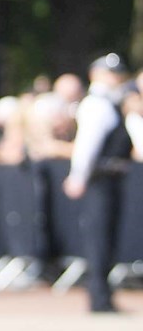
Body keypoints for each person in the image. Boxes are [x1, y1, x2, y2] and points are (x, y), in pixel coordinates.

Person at [61, 53, 129, 313]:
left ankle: (104, 295)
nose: (116, 78)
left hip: (110, 179)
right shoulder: (97, 104)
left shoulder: (111, 102)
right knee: (99, 239)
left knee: (107, 238)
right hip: (100, 179)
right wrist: (78, 176)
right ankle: (99, 297)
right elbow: (87, 145)